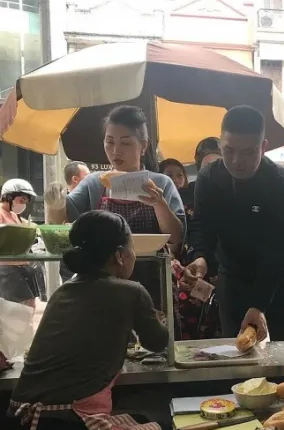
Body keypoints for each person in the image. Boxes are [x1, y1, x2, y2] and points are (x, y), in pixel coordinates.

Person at [0, 211, 172, 430]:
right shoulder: (130, 291)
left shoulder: (63, 293)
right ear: (120, 256)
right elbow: (159, 341)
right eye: (131, 247)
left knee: (143, 422)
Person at [45, 105, 185, 307]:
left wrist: (159, 203)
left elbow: (175, 237)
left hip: (153, 283)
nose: (116, 151)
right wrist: (55, 204)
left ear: (143, 146)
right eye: (109, 142)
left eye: (125, 143)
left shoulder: (161, 183)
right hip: (103, 287)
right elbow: (62, 224)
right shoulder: (94, 183)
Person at [184, 106, 284, 341]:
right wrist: (201, 256)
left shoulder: (281, 184)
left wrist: (259, 305)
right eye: (229, 150)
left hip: (280, 278)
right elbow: (201, 225)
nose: (237, 161)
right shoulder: (208, 178)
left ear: (264, 147)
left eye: (248, 152)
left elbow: (279, 251)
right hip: (233, 278)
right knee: (235, 351)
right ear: (220, 144)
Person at [159, 158, 220, 340]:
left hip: (216, 273)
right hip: (189, 269)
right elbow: (180, 239)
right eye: (169, 175)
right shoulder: (187, 201)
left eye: (179, 175)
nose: (176, 179)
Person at [0, 179, 41, 309]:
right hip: (8, 268)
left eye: (25, 202)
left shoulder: (14, 216)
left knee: (29, 305)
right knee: (18, 310)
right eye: (21, 200)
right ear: (9, 196)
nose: (23, 205)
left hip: (22, 267)